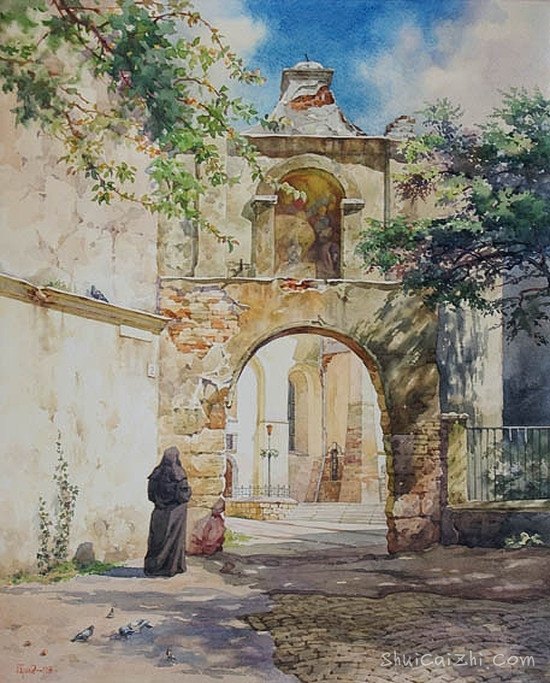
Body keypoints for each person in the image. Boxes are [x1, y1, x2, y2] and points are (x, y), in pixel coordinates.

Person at [144, 446, 192, 577]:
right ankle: (172, 567)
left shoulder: (156, 474)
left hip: (159, 512)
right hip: (175, 513)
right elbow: (183, 496)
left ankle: (153, 567)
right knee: (173, 540)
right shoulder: (179, 474)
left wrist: (160, 502)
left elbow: (151, 495)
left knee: (157, 540)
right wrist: (189, 491)